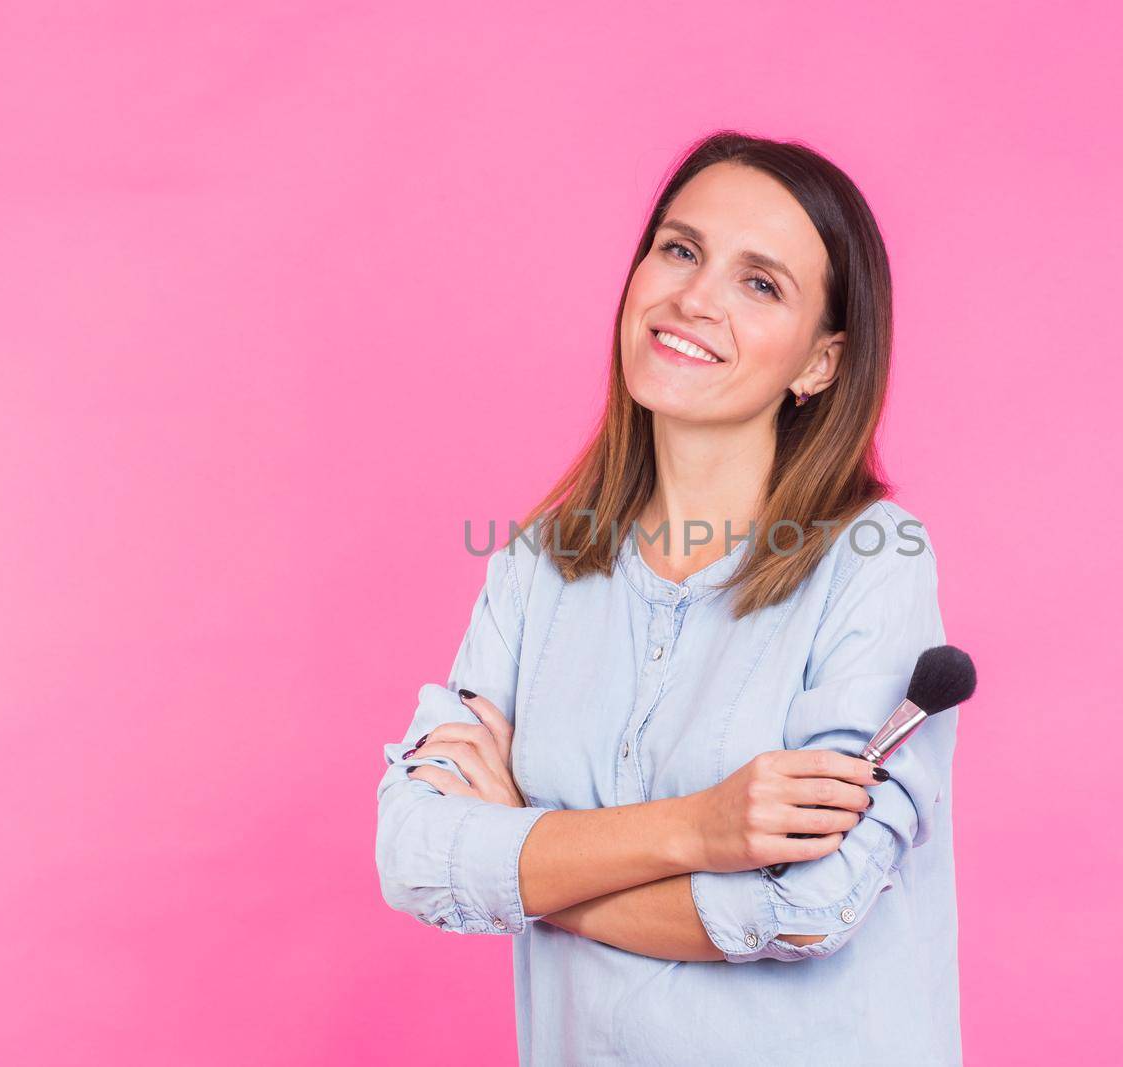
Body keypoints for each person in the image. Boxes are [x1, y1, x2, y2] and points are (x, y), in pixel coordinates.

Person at [375, 130, 963, 1065]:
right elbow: (413, 853)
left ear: (820, 364)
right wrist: (701, 828)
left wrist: (524, 856)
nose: (694, 297)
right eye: (681, 249)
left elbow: (811, 904)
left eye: (760, 282)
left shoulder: (872, 562)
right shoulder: (538, 562)